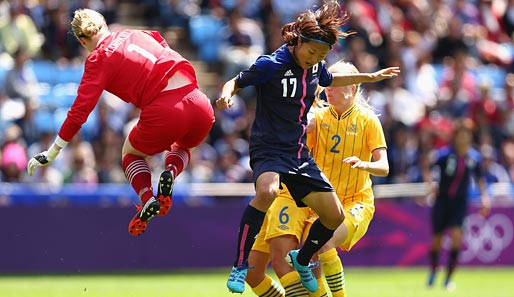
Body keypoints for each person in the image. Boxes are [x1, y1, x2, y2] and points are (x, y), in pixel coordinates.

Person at [216, 1, 400, 293]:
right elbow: (236, 82)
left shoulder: (317, 69)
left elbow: (331, 78)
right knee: (268, 191)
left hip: (297, 154)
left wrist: (369, 77)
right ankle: (239, 266)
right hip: (268, 149)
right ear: (298, 41)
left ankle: (302, 260)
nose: (315, 59)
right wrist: (226, 95)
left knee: (334, 216)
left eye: (322, 55)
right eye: (312, 52)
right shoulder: (271, 64)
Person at [26, 8, 215, 236]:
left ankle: (147, 199)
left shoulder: (97, 59)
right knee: (184, 146)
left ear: (80, 39)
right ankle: (171, 172)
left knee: (130, 154)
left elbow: (79, 111)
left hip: (165, 109)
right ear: (104, 22)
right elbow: (161, 43)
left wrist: (53, 151)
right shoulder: (133, 32)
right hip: (199, 102)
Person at [245, 60, 389, 297]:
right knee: (259, 270)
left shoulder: (368, 120)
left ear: (352, 87)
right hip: (315, 201)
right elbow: (306, 119)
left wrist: (365, 164)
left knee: (319, 245)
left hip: (354, 200)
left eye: (335, 83)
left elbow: (384, 167)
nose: (328, 88)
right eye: (327, 83)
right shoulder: (318, 117)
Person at [423, 117, 490, 291]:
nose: (463, 138)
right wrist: (431, 185)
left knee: (456, 238)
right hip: (442, 202)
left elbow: (480, 178)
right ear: (455, 136)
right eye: (460, 135)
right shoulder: (445, 154)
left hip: (460, 204)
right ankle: (433, 272)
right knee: (436, 240)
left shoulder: (473, 157)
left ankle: (448, 278)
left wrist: (484, 197)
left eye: (466, 135)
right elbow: (428, 167)